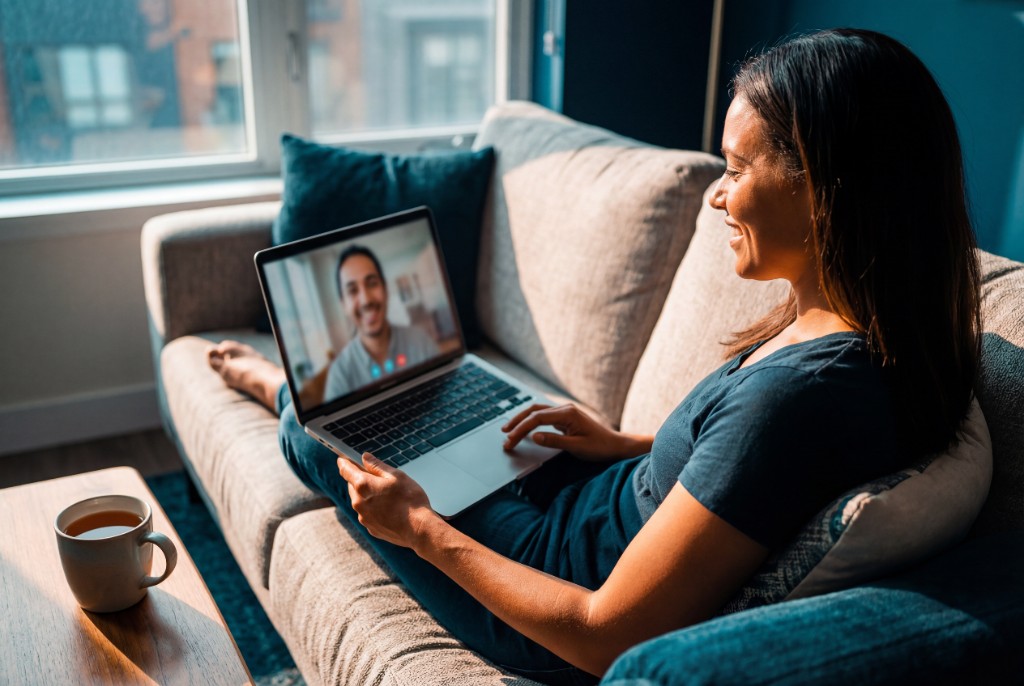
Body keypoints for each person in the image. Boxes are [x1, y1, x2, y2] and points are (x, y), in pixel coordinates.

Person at [207, 29, 980, 685]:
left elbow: (604, 632)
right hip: (589, 495)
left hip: (545, 581)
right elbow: (750, 479)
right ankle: (313, 391)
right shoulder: (870, 336)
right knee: (422, 412)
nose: (716, 195)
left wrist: (418, 526)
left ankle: (280, 386)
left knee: (313, 431)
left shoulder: (803, 398)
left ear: (825, 194)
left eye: (737, 170)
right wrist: (623, 443)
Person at [322, 245, 439, 400]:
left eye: (372, 283)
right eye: (352, 290)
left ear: (385, 289)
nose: (366, 300)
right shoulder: (340, 374)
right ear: (343, 304)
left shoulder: (421, 341)